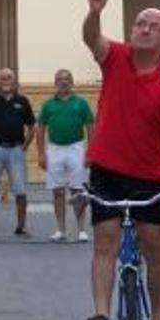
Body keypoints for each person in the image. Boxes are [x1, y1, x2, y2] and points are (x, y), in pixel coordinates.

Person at [81, 0, 160, 320]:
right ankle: (101, 318)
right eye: (140, 23)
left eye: (153, 25)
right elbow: (91, 38)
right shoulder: (116, 57)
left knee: (156, 249)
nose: (144, 28)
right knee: (105, 241)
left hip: (149, 175)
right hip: (107, 168)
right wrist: (94, 11)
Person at [36, 68, 94, 243]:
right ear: (55, 83)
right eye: (60, 79)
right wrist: (41, 154)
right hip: (55, 150)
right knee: (58, 191)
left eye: (67, 79)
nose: (63, 82)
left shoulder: (81, 103)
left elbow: (91, 127)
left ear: (72, 82)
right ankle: (60, 229)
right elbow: (40, 129)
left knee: (78, 191)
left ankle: (81, 230)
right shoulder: (48, 104)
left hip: (76, 148)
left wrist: (91, 152)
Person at [0, 68, 35, 238]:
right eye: (2, 78)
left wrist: (25, 144)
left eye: (9, 77)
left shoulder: (23, 101)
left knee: (20, 189)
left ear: (14, 80)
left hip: (16, 150)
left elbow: (32, 125)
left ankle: (21, 226)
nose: (6, 80)